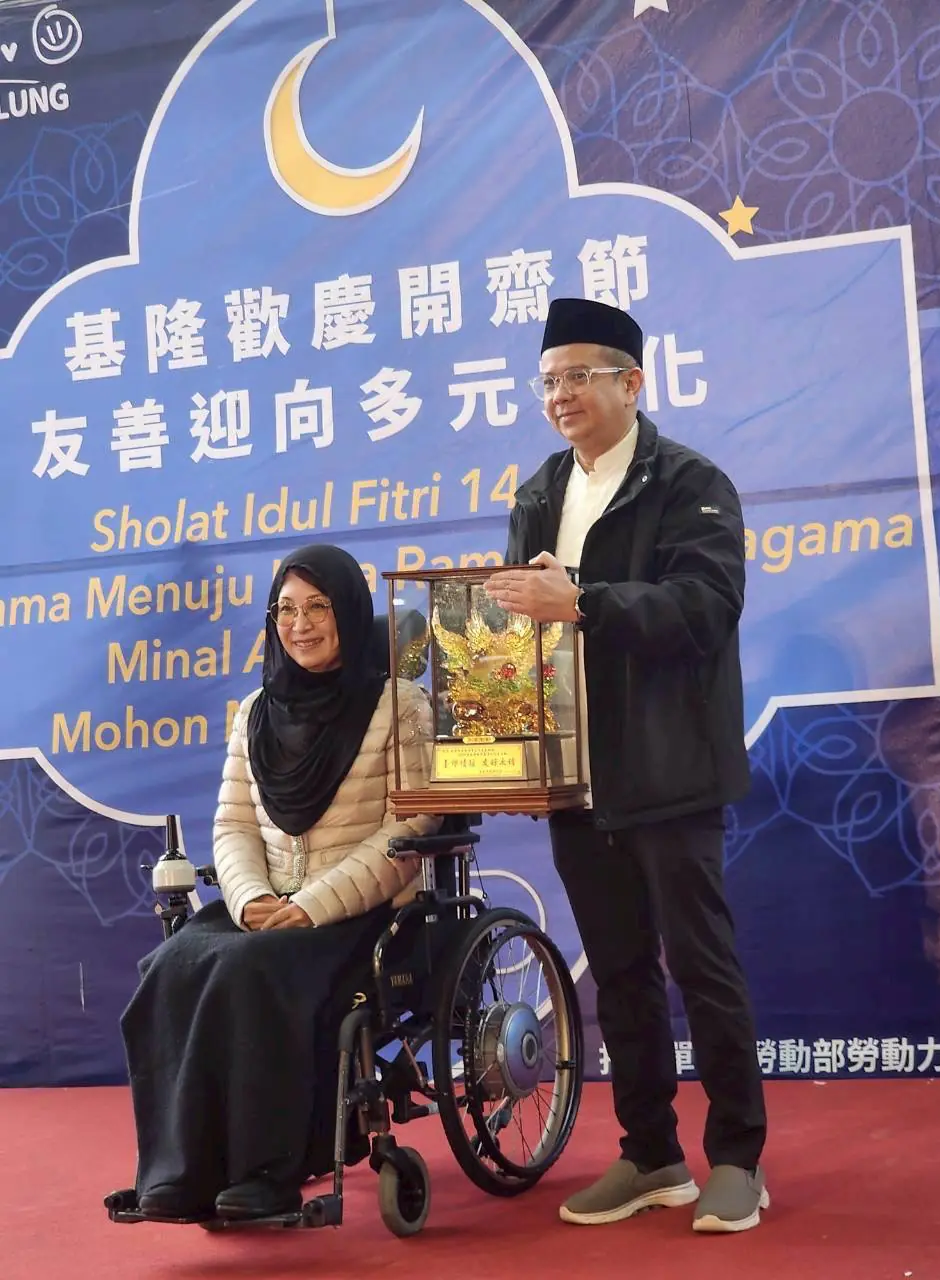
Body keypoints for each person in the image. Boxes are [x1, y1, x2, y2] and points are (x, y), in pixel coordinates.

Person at [485, 297, 768, 1234]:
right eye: (547, 382)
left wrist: (582, 601)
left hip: (670, 769)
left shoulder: (690, 483)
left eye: (578, 377)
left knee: (702, 966)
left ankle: (739, 1160)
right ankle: (652, 1155)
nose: (559, 396)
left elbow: (704, 608)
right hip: (579, 779)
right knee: (619, 973)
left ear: (631, 383)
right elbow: (521, 637)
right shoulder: (538, 492)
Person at [120, 544, 438, 1223]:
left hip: (362, 914)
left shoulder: (400, 705)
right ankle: (181, 1172)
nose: (300, 624)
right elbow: (233, 825)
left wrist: (311, 905)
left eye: (318, 607)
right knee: (171, 966)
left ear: (348, 613)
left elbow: (407, 832)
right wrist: (251, 898)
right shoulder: (255, 712)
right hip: (265, 908)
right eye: (286, 610)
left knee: (254, 971)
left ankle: (267, 1173)